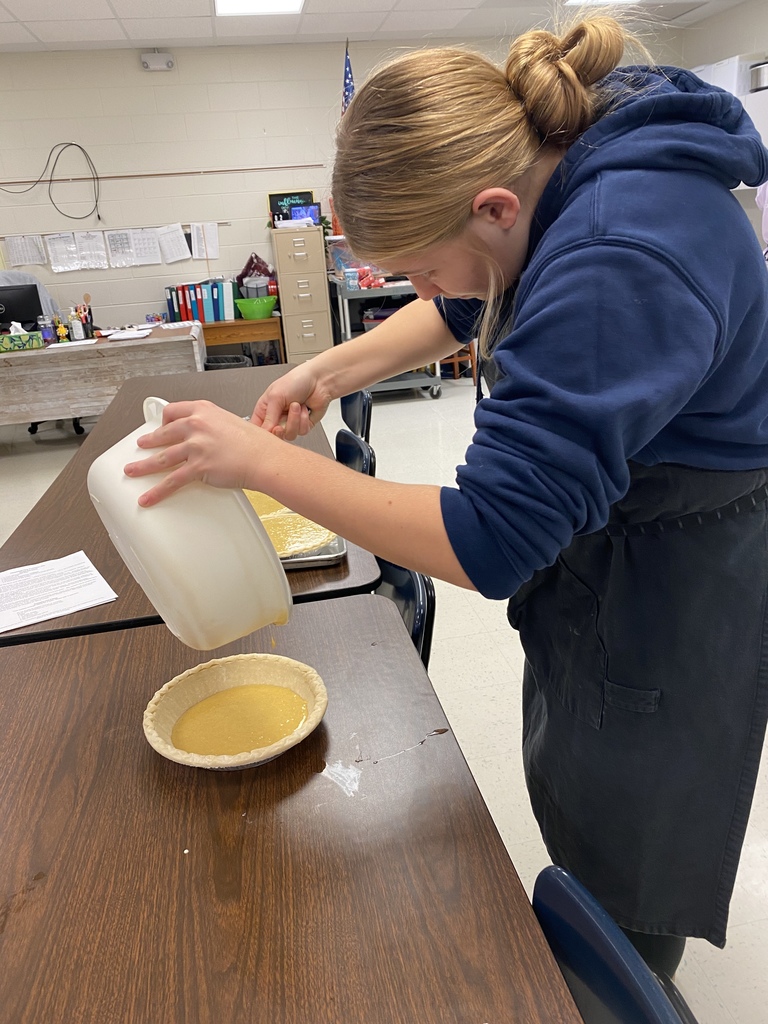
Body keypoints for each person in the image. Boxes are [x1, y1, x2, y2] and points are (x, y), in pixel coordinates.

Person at [125, 14, 768, 974]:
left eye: (415, 267)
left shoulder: (618, 257)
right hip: (622, 527)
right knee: (582, 758)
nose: (418, 289)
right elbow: (467, 295)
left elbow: (489, 541)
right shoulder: (561, 159)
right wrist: (332, 372)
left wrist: (260, 463)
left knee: (631, 811)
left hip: (675, 563)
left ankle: (620, 973)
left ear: (496, 207)